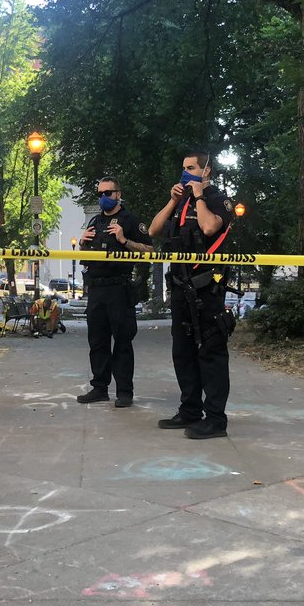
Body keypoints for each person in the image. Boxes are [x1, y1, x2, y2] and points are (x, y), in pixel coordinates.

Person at [148, 151, 235, 438]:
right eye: (183, 168)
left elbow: (210, 227)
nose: (185, 173)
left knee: (210, 352)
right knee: (182, 352)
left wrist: (199, 195)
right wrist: (174, 199)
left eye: (191, 168)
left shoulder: (217, 200)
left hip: (207, 289)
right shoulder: (180, 203)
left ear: (206, 170)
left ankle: (215, 419)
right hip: (180, 289)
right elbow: (153, 230)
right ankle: (189, 410)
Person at [77, 176, 153, 408]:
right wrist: (81, 244)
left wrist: (124, 239)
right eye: (100, 194)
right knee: (97, 342)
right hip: (96, 289)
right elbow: (84, 257)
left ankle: (124, 392)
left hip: (119, 288)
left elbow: (149, 250)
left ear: (118, 194)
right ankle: (100, 388)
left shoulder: (131, 220)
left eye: (107, 193)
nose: (103, 198)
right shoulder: (94, 222)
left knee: (122, 342)